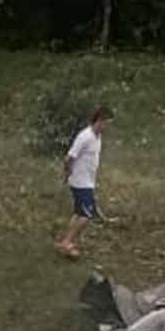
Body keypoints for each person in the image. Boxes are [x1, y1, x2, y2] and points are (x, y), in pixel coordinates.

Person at [56, 106, 110, 259]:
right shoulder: (84, 137)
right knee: (87, 215)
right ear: (98, 121)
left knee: (78, 213)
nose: (107, 127)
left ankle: (65, 241)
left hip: (88, 181)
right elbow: (69, 157)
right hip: (80, 182)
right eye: (105, 123)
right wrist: (67, 172)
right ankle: (67, 243)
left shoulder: (97, 137)